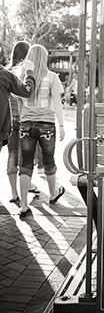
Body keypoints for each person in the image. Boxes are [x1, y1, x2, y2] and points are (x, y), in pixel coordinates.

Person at [17, 44, 66, 218]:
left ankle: (23, 205)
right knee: (49, 161)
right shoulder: (52, 77)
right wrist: (61, 125)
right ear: (44, 58)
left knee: (25, 163)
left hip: (26, 124)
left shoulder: (22, 77)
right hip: (46, 124)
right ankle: (53, 194)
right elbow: (58, 103)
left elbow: (20, 101)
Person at [6, 41, 40, 201]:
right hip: (25, 119)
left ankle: (14, 192)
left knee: (12, 155)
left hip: (9, 121)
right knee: (27, 155)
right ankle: (28, 185)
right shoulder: (25, 71)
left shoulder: (6, 71)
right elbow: (27, 93)